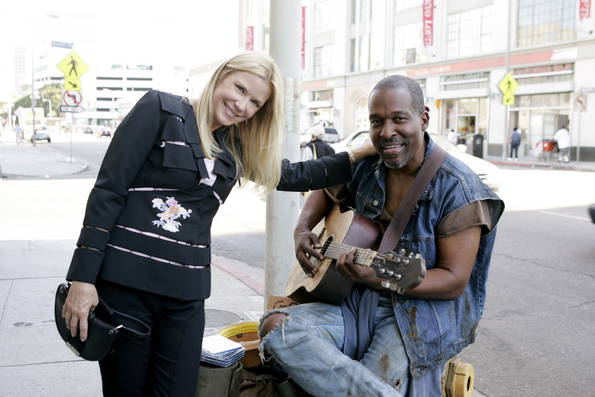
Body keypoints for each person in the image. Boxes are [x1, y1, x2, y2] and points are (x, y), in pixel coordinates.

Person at [61, 52, 374, 397]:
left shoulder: (237, 148)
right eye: (239, 89)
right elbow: (108, 191)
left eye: (255, 102)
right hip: (126, 288)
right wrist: (82, 279)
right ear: (221, 76)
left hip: (185, 296)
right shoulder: (159, 110)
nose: (242, 105)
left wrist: (359, 153)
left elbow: (294, 174)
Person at [259, 75, 504, 397]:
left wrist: (379, 278)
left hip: (419, 313)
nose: (387, 132)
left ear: (423, 118)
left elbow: (454, 281)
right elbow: (323, 188)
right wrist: (303, 229)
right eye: (377, 122)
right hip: (354, 302)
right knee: (275, 327)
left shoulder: (458, 188)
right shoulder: (368, 165)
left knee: (377, 376)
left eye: (399, 119)